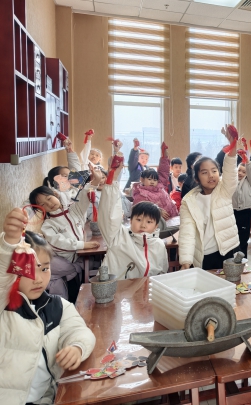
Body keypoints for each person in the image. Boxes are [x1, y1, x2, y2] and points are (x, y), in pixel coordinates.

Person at [0, 210, 96, 404]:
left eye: (44, 268)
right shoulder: (4, 307)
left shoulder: (58, 306)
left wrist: (77, 347)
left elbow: (79, 331)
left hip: (47, 398)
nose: (38, 279)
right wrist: (10, 243)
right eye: (27, 271)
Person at [31, 165, 100, 302]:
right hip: (62, 266)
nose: (49, 204)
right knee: (73, 296)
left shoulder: (74, 210)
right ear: (40, 209)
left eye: (49, 198)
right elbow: (59, 244)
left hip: (78, 259)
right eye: (43, 205)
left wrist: (95, 181)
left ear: (55, 194)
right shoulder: (48, 225)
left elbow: (84, 196)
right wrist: (82, 245)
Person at [179, 126, 240, 270]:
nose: (211, 175)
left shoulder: (224, 190)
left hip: (226, 250)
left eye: (214, 171)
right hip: (203, 255)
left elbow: (230, 171)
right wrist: (186, 262)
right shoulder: (189, 202)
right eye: (204, 173)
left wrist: (233, 145)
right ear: (197, 178)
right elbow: (187, 232)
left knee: (228, 282)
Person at [95, 161, 168, 279]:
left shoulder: (159, 245)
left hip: (148, 288)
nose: (143, 225)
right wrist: (112, 181)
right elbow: (109, 216)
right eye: (139, 220)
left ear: (156, 226)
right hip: (119, 288)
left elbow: (162, 272)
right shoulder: (118, 237)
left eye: (149, 222)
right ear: (130, 220)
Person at [131, 144, 178, 220]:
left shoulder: (159, 185)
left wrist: (164, 157)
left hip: (173, 218)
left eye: (155, 180)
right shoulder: (141, 194)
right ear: (142, 179)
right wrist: (156, 210)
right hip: (157, 222)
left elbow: (163, 172)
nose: (152, 182)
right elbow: (139, 210)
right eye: (149, 179)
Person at [233, 143, 251, 258]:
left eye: (244, 172)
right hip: (232, 211)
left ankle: (243, 261)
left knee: (243, 239)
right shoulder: (231, 181)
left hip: (245, 212)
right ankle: (232, 261)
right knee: (232, 239)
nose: (240, 173)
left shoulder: (250, 182)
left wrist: (247, 161)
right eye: (239, 170)